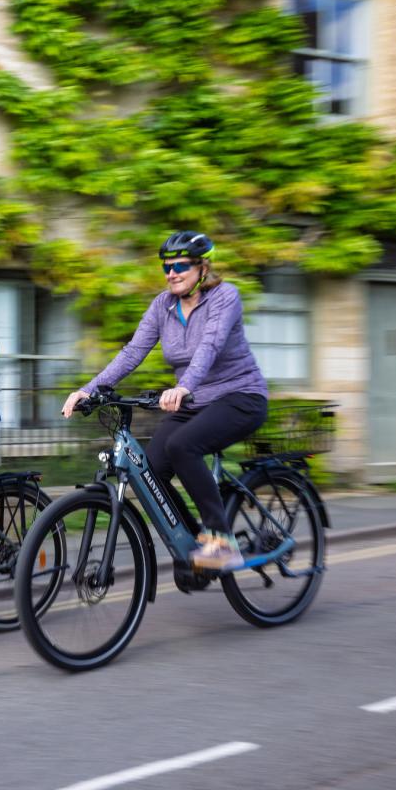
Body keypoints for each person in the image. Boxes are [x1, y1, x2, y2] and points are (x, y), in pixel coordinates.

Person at [60, 231, 268, 571]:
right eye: (167, 267)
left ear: (202, 267)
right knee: (150, 470)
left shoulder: (224, 297)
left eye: (181, 265)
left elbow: (209, 347)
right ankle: (194, 545)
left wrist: (183, 386)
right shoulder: (163, 305)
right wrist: (89, 390)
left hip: (239, 396)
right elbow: (132, 353)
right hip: (196, 401)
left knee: (183, 446)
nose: (172, 273)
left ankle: (221, 539)